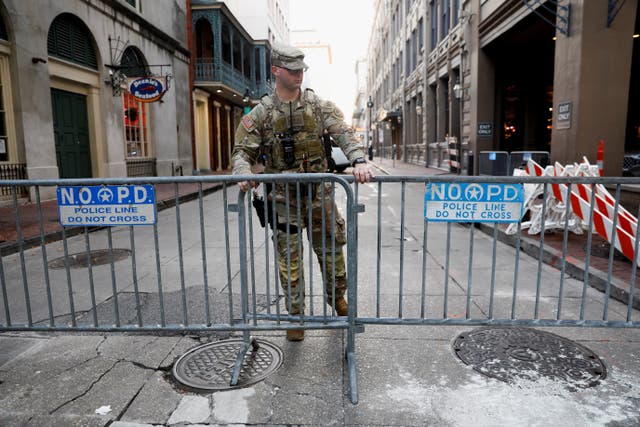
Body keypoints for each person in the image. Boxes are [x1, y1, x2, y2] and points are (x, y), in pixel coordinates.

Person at [231, 42, 374, 341]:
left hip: (319, 197)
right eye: (292, 70)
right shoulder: (261, 114)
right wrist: (243, 172)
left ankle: (337, 299)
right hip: (283, 200)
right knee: (289, 260)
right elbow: (242, 152)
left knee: (333, 252)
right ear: (276, 70)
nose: (298, 75)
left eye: (301, 70)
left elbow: (344, 133)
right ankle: (295, 315)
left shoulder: (319, 107)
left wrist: (359, 159)